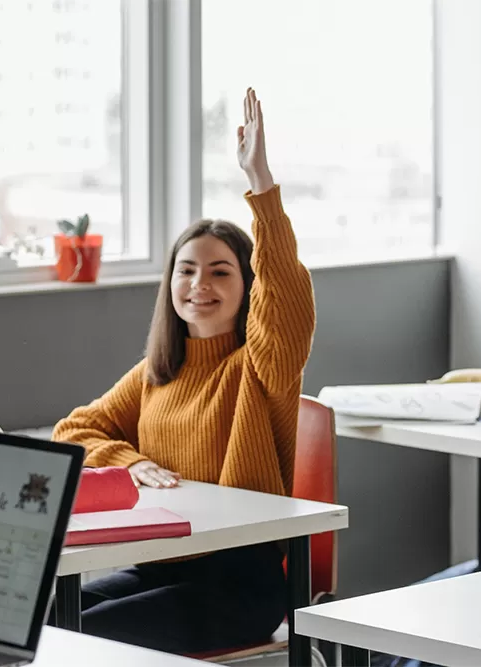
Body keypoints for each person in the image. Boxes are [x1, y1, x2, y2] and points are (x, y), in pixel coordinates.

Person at [53, 89, 314, 654]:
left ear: (247, 287)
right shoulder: (157, 373)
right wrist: (132, 461)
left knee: (77, 642)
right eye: (187, 270)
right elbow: (73, 431)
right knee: (39, 616)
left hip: (240, 585)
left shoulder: (262, 365)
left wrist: (262, 185)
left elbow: (287, 298)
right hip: (159, 566)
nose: (200, 285)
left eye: (221, 273)